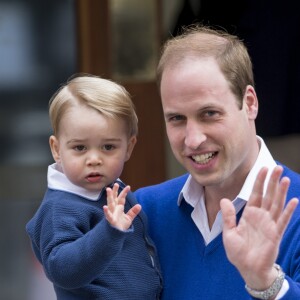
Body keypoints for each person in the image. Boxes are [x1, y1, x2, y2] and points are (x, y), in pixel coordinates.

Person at [134, 25, 300, 299]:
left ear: (249, 103)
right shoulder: (145, 211)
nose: (193, 139)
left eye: (209, 113)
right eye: (176, 118)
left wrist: (267, 283)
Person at [26, 74, 162, 300]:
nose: (94, 159)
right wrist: (109, 232)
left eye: (108, 147)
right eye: (79, 148)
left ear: (129, 147)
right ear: (57, 149)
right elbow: (62, 270)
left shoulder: (111, 190)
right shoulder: (59, 208)